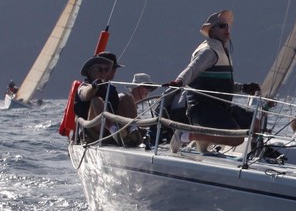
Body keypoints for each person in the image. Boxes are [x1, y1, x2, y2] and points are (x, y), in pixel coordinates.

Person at [163, 10, 262, 153]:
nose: (227, 29)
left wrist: (244, 88)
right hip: (203, 108)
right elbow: (192, 69)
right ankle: (184, 136)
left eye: (228, 26)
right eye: (222, 26)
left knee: (255, 123)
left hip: (221, 107)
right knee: (237, 138)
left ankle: (254, 154)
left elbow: (220, 85)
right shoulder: (208, 51)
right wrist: (179, 82)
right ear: (212, 30)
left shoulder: (222, 50)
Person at [75, 52, 141, 146]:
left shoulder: (111, 88)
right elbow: (85, 94)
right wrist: (94, 86)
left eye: (106, 70)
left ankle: (133, 131)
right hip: (94, 132)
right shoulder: (84, 86)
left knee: (126, 97)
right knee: (96, 100)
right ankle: (114, 131)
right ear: (90, 72)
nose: (104, 73)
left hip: (116, 129)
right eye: (100, 69)